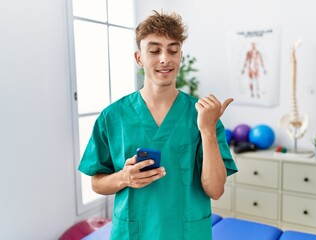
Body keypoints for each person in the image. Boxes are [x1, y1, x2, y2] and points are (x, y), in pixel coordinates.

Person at [78, 10, 238, 240]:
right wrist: (124, 177)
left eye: (173, 50)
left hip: (186, 233)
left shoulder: (203, 115)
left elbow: (215, 190)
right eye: (154, 51)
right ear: (139, 58)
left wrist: (207, 130)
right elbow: (97, 183)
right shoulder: (112, 117)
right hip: (134, 233)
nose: (165, 58)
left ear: (180, 55)